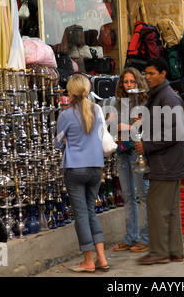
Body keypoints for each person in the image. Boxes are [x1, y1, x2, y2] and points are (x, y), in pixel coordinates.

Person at [134, 57, 184, 265]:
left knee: (157, 206)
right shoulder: (160, 96)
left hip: (167, 163)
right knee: (170, 208)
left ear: (163, 74)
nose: (147, 77)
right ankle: (175, 251)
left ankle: (159, 251)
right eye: (146, 73)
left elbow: (175, 132)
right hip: (168, 162)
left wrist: (147, 146)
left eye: (151, 73)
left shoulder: (167, 97)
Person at [55, 74, 109, 273]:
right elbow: (101, 135)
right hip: (95, 167)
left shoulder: (66, 115)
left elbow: (57, 142)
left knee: (81, 215)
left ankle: (88, 260)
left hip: (75, 169)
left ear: (71, 92)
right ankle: (102, 258)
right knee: (90, 212)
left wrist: (67, 142)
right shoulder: (97, 109)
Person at [110, 67, 150, 253]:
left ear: (138, 82)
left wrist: (130, 126)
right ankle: (130, 237)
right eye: (126, 82)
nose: (128, 85)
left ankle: (146, 237)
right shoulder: (116, 102)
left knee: (143, 195)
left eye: (132, 82)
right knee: (127, 195)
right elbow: (111, 126)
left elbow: (147, 125)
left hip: (138, 150)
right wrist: (115, 126)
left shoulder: (143, 100)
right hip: (121, 150)